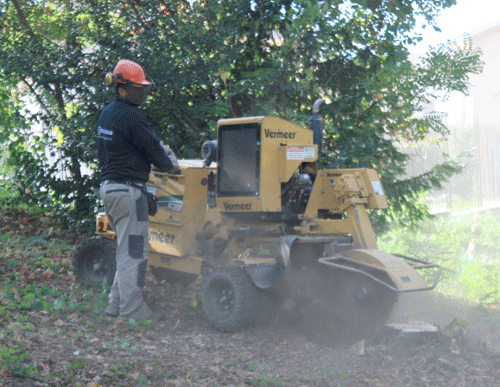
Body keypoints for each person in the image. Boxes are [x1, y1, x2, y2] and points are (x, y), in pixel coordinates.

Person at [97, 59, 176, 320]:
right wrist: (170, 166)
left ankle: (114, 305)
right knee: (134, 252)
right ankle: (131, 311)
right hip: (129, 192)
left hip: (109, 189)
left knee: (125, 251)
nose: (141, 94)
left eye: (143, 89)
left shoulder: (107, 113)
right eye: (136, 89)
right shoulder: (132, 116)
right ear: (121, 89)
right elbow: (155, 151)